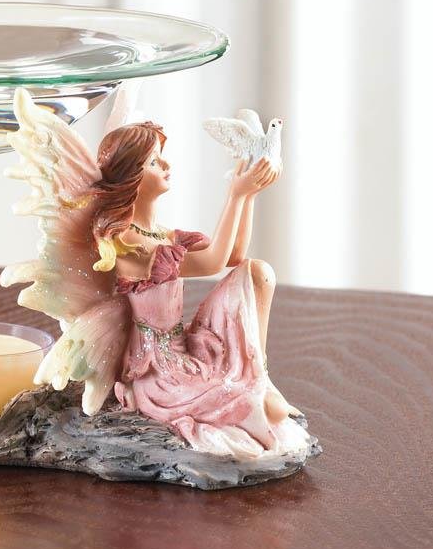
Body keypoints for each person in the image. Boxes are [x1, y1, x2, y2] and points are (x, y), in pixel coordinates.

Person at [89, 120, 303, 458]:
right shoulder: (125, 241)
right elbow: (213, 263)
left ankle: (259, 374)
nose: (166, 164)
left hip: (186, 347)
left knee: (257, 273)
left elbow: (233, 256)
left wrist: (248, 196)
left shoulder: (164, 235)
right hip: (159, 370)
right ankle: (251, 390)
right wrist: (235, 195)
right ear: (132, 176)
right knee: (267, 412)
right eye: (154, 161)